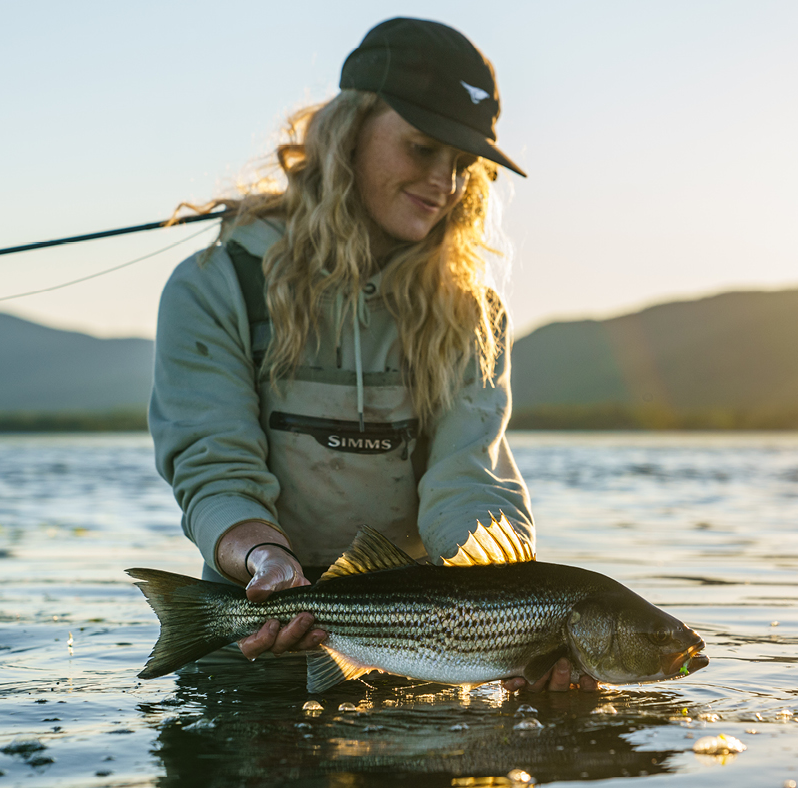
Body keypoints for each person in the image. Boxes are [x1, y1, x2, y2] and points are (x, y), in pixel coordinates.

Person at [149, 18, 596, 692]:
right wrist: (266, 559)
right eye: (421, 148)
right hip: (250, 619)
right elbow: (214, 468)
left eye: (463, 164)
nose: (444, 181)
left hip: (419, 642)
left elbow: (467, 479)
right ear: (347, 132)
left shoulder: (473, 311)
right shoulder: (214, 286)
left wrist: (517, 627)